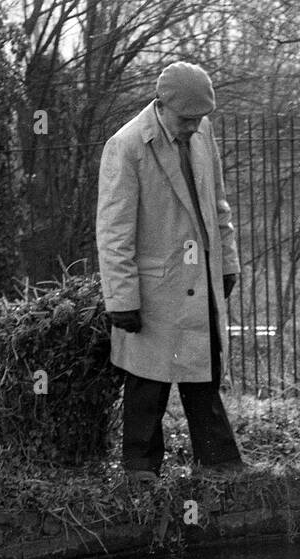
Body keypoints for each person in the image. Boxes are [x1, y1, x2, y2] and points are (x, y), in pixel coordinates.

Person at [96, 61, 243, 479]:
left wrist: (227, 263)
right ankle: (140, 471)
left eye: (200, 118)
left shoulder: (201, 133)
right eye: (187, 118)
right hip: (155, 288)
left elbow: (219, 204)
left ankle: (219, 464)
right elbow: (113, 233)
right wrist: (121, 299)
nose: (194, 127)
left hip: (201, 278)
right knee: (148, 383)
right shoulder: (125, 147)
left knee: (205, 371)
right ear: (161, 106)